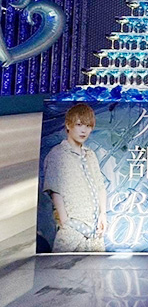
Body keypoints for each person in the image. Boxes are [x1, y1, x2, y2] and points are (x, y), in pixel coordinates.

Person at [43, 104, 107, 252]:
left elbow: (100, 187)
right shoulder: (58, 154)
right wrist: (65, 222)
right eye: (79, 125)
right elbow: (55, 190)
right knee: (63, 265)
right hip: (73, 229)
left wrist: (103, 214)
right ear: (68, 125)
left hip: (95, 231)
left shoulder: (90, 155)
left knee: (96, 266)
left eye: (88, 126)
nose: (84, 130)